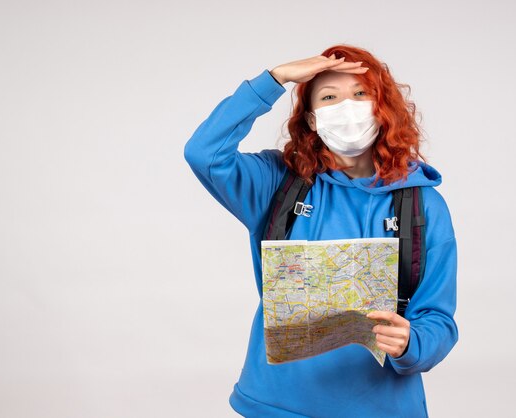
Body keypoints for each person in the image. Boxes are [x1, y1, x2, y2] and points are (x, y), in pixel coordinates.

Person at [183, 44, 458, 418]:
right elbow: (204, 153)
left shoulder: (422, 206)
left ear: (382, 108)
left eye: (361, 93)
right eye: (329, 97)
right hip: (274, 405)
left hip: (381, 408)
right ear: (312, 120)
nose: (347, 107)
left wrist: (413, 341)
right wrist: (273, 80)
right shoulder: (277, 183)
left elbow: (438, 318)